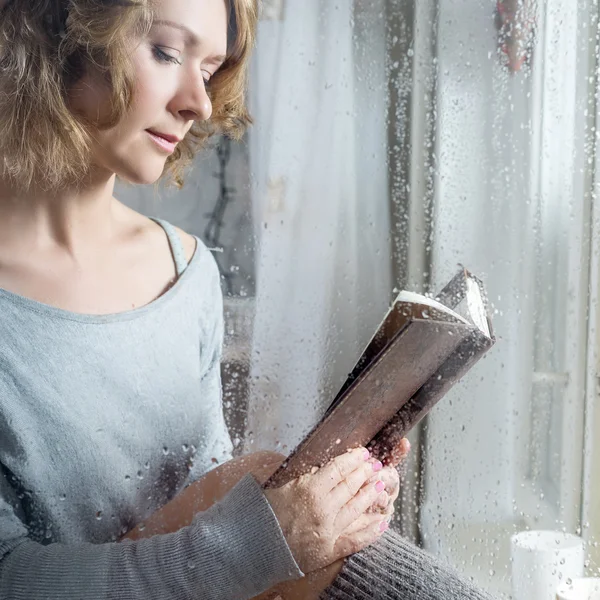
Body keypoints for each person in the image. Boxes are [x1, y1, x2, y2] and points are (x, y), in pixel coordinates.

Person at [0, 0, 495, 598]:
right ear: (59, 34)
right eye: (165, 51)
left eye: (208, 72)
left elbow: (202, 491)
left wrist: (326, 501)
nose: (199, 103)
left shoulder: (186, 272)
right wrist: (264, 539)